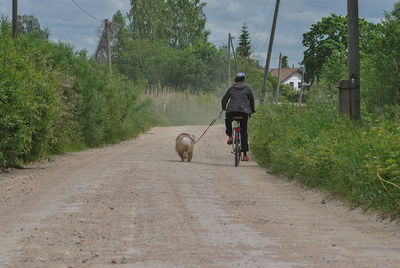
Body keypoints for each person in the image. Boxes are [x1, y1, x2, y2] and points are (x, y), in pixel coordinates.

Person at [221, 72, 255, 161]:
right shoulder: (247, 89)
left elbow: (224, 99)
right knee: (244, 133)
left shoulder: (231, 88)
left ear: (235, 79)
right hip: (244, 112)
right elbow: (251, 101)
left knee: (228, 120)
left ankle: (230, 136)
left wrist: (224, 107)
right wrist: (252, 110)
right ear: (244, 80)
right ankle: (245, 155)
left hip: (231, 111)